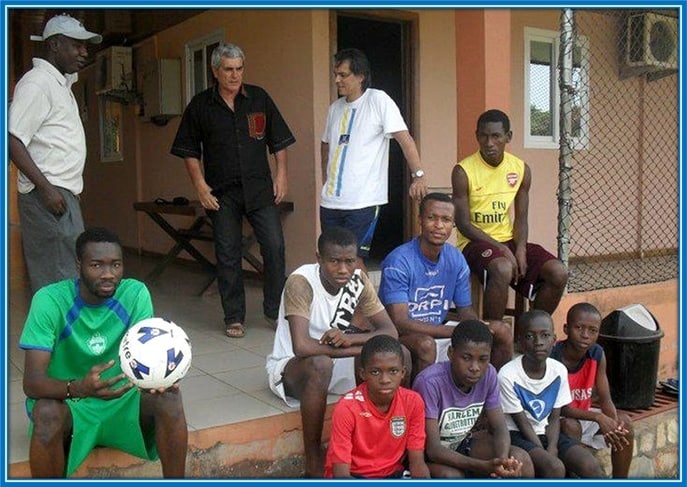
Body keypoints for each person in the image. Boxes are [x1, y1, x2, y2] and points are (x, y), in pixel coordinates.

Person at [18, 227, 187, 478]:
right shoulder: (49, 300)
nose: (108, 274)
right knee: (46, 412)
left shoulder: (135, 293)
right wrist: (79, 388)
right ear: (79, 265)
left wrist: (160, 378)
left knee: (170, 399)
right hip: (72, 404)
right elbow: (33, 384)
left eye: (116, 265)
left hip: (122, 400)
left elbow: (149, 355)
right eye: (96, 265)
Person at [171, 42, 295, 338]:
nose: (234, 75)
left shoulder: (260, 98)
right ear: (215, 71)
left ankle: (273, 309)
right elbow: (189, 150)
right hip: (221, 192)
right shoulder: (201, 105)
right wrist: (200, 186)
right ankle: (234, 316)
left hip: (260, 188)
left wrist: (282, 176)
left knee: (275, 247)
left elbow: (278, 142)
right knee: (227, 253)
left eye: (239, 69)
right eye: (228, 69)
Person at [265, 226, 400, 477]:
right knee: (321, 363)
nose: (343, 270)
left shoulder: (358, 280)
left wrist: (351, 340)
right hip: (294, 368)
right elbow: (302, 346)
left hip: (338, 360)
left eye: (349, 261)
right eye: (334, 261)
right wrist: (354, 347)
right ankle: (313, 458)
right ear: (319, 259)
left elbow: (390, 332)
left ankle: (386, 442)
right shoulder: (301, 282)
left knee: (397, 353)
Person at [9, 13, 102, 294]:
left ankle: (61, 335)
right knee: (55, 278)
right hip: (48, 196)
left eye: (85, 46)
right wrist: (47, 189)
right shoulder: (37, 83)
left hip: (62, 195)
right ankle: (54, 337)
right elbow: (12, 139)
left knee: (68, 272)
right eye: (78, 45)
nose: (84, 52)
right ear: (55, 45)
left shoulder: (61, 85)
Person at [451, 109, 568, 325]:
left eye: (496, 136)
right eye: (484, 136)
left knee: (558, 271)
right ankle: (493, 336)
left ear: (508, 137)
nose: (489, 143)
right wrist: (503, 249)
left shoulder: (521, 169)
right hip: (473, 243)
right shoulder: (463, 171)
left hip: (509, 241)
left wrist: (520, 248)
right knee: (502, 266)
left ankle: (530, 331)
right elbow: (463, 224)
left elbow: (521, 218)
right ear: (477, 136)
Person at [379, 192, 513, 377]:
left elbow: (465, 310)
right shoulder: (399, 261)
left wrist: (474, 327)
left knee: (502, 330)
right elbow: (400, 322)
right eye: (431, 218)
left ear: (453, 224)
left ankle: (489, 392)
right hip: (402, 336)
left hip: (440, 329)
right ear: (420, 220)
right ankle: (423, 404)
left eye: (446, 219)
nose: (439, 225)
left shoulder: (455, 258)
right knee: (426, 345)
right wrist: (454, 331)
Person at [320, 48, 428, 265]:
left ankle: (368, 301)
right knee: (331, 261)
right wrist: (327, 179)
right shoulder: (335, 108)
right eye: (335, 74)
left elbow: (404, 138)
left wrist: (418, 176)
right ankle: (340, 301)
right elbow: (325, 144)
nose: (337, 80)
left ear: (360, 76)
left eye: (343, 75)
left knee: (353, 260)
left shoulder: (378, 100)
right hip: (331, 202)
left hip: (363, 200)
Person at [413, 320, 533, 478]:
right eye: (466, 358)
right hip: (428, 456)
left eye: (483, 359)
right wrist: (482, 466)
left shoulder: (489, 374)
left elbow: (499, 427)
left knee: (520, 459)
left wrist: (502, 462)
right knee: (452, 476)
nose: (475, 367)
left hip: (462, 445)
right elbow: (433, 449)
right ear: (450, 353)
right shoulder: (430, 382)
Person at [497, 310, 603, 478]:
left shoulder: (558, 370)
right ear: (519, 341)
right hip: (517, 435)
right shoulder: (508, 375)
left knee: (591, 466)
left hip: (547, 432)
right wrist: (543, 451)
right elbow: (522, 422)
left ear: (554, 340)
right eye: (530, 337)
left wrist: (552, 447)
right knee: (554, 468)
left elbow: (554, 417)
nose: (538, 342)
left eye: (545, 335)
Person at [324, 334, 430, 479]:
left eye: (393, 371)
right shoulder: (347, 407)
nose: (385, 380)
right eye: (375, 372)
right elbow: (340, 473)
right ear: (363, 373)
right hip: (354, 476)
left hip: (393, 475)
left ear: (402, 373)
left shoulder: (413, 402)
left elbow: (417, 462)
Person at [550, 302, 634, 478]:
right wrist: (598, 417)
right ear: (566, 328)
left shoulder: (597, 354)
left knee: (624, 424)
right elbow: (561, 408)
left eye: (593, 330)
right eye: (579, 328)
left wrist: (612, 424)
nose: (585, 335)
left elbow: (605, 399)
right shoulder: (554, 356)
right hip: (558, 420)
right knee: (570, 425)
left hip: (585, 415)